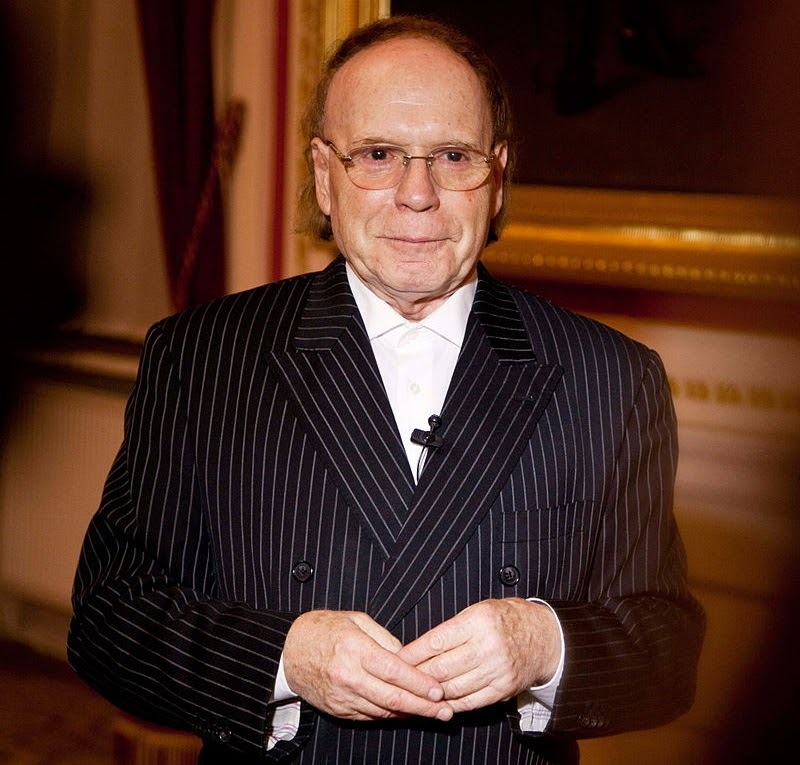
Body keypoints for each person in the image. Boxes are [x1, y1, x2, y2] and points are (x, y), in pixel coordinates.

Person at [68, 15, 704, 765]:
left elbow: (667, 649)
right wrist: (284, 657)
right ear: (323, 174)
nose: (417, 194)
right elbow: (110, 616)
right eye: (377, 154)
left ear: (497, 176)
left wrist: (544, 644)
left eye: (453, 156)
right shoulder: (205, 358)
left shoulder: (609, 378)